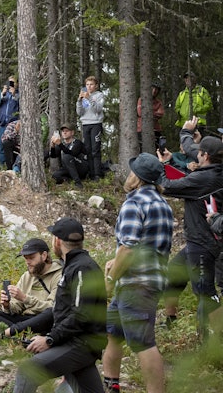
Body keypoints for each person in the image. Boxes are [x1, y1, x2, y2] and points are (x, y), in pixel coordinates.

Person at [101, 153, 173, 393]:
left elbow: (129, 248)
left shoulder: (134, 202)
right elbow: (147, 245)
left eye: (132, 171)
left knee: (143, 344)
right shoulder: (163, 205)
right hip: (146, 282)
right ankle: (111, 385)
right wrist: (117, 259)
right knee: (113, 335)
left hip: (134, 284)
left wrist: (110, 280)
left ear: (137, 178)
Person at [12, 218, 107, 393]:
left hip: (80, 344)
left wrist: (50, 339)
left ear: (57, 241)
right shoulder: (74, 266)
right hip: (75, 342)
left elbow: (81, 315)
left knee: (27, 371)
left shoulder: (82, 268)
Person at [160, 135, 223, 339]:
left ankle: (219, 338)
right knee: (173, 275)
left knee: (205, 292)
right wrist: (170, 161)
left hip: (204, 242)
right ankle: (170, 321)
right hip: (195, 240)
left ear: (206, 155)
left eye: (200, 152)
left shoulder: (207, 178)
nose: (197, 154)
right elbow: (188, 180)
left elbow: (168, 187)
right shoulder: (212, 172)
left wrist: (161, 167)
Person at [0, 238, 62, 337]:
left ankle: (12, 333)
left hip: (44, 320)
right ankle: (21, 335)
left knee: (50, 314)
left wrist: (25, 298)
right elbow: (17, 307)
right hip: (26, 320)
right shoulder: (26, 276)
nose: (28, 262)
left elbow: (54, 308)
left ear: (44, 255)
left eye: (31, 258)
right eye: (25, 258)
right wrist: (7, 306)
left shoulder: (59, 275)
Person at [77, 76, 106, 179]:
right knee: (87, 149)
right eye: (87, 85)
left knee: (95, 149)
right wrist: (80, 101)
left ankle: (97, 173)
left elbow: (97, 109)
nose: (89, 87)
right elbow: (80, 112)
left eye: (91, 84)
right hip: (85, 124)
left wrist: (89, 98)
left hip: (96, 124)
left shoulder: (99, 95)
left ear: (96, 86)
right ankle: (90, 172)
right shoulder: (83, 96)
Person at [0, 75, 21, 170]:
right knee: (2, 144)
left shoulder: (19, 94)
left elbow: (21, 107)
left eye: (13, 82)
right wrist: (2, 94)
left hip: (14, 124)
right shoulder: (5, 94)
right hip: (3, 122)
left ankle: (13, 165)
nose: (11, 84)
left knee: (13, 145)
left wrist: (14, 95)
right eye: (9, 82)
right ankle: (1, 164)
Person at [137, 82, 164, 147]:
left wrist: (147, 113)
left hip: (156, 130)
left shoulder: (158, 102)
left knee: (159, 148)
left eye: (156, 89)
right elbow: (140, 113)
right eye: (153, 88)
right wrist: (154, 113)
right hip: (141, 129)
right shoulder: (141, 99)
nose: (154, 91)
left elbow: (161, 114)